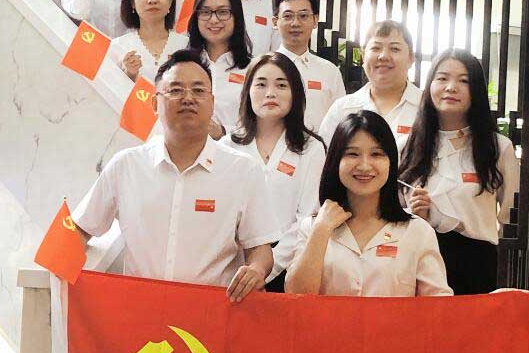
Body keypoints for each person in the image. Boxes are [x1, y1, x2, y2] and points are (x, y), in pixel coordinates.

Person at [72, 49, 279, 301]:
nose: (188, 98)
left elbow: (260, 249)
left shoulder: (243, 170)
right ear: (154, 103)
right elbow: (80, 229)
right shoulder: (126, 166)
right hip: (141, 311)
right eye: (176, 90)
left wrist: (256, 270)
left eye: (198, 90)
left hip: (212, 314)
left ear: (212, 102)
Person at [285, 111, 452, 297]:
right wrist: (321, 231)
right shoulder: (312, 227)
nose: (364, 166)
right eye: (352, 154)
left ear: (391, 162)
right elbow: (296, 297)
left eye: (376, 154)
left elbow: (438, 304)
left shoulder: (417, 231)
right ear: (335, 161)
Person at [398, 48, 520, 295]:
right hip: (418, 260)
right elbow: (387, 214)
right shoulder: (406, 146)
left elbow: (511, 218)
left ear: (476, 90)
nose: (451, 87)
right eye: (442, 78)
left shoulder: (498, 147)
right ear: (430, 86)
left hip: (477, 265)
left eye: (463, 81)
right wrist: (413, 214)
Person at [222, 52, 325, 291]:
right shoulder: (227, 146)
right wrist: (246, 268)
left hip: (289, 267)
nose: (270, 93)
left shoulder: (311, 148)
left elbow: (307, 217)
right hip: (233, 267)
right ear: (247, 92)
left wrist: (266, 268)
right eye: (261, 84)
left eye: (281, 85)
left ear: (295, 94)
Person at [319, 19, 422, 148]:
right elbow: (324, 157)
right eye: (375, 48)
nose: (383, 56)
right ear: (363, 56)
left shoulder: (427, 107)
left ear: (411, 58)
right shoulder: (343, 109)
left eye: (394, 49)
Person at [273, 0, 346, 130]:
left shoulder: (329, 72)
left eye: (303, 16)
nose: (295, 23)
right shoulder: (262, 69)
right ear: (275, 22)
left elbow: (341, 122)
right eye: (287, 16)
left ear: (315, 20)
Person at [187, 0, 253, 137]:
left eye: (223, 12)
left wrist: (222, 132)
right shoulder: (182, 65)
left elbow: (262, 126)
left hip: (235, 149)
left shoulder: (253, 69)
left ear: (236, 16)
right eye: (205, 12)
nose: (214, 20)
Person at [108, 0, 188, 82]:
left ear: (170, 1)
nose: (152, 0)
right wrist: (128, 76)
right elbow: (108, 89)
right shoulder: (117, 47)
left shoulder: (186, 45)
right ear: (132, 2)